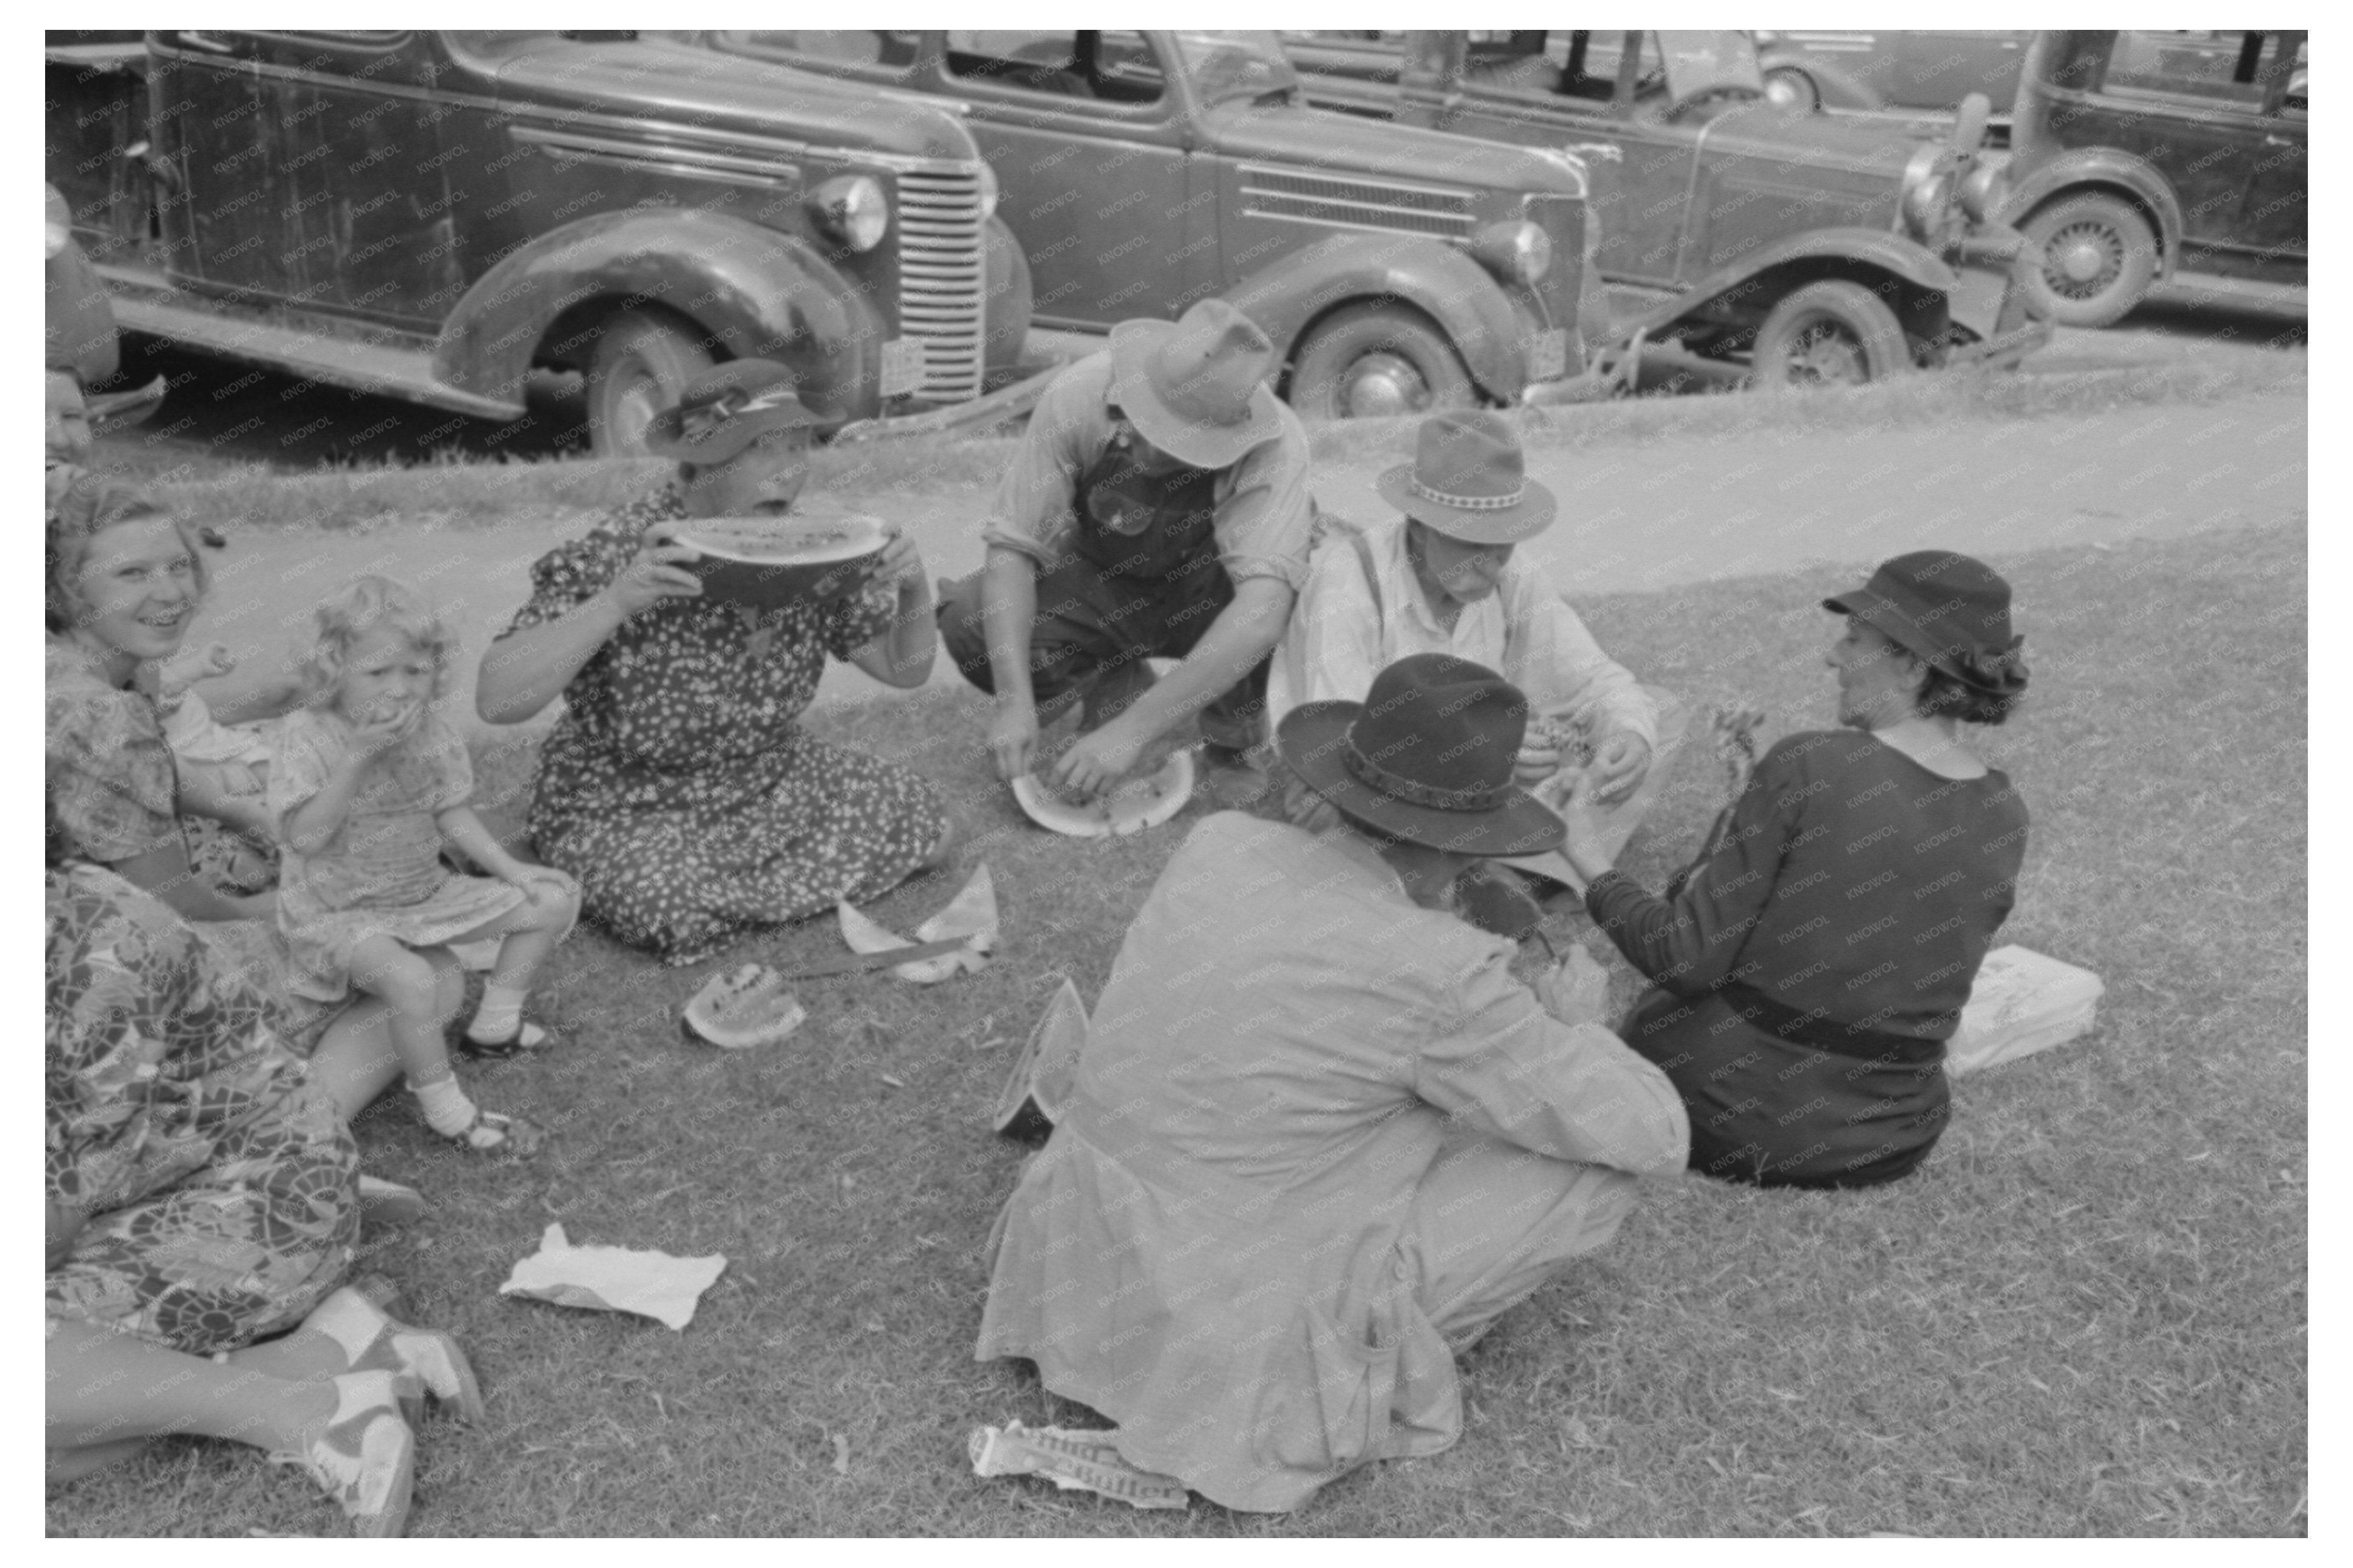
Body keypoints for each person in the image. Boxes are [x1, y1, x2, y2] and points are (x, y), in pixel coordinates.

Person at [975, 653, 1689, 1513]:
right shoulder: (1444, 973)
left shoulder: (1219, 843)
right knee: (1593, 1167)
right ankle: (1368, 1371)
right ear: (1465, 843)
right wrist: (1578, 1024)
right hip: (1239, 1335)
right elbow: (1655, 1131)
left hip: (1080, 1274)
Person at [1552, 551, 2032, 1189]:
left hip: (1731, 1117)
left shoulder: (1810, 764)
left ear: (1911, 664)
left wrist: (1583, 851)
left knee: (1625, 1011)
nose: (1830, 656)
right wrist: (1745, 800)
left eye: (1853, 638)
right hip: (1893, 1136)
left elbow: (1682, 955)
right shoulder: (2003, 808)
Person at [46, 861, 483, 1536]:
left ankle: (304, 1413)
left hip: (261, 1197)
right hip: (152, 1191)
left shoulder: (96, 956)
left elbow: (51, 1215)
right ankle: (330, 1351)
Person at [476, 360, 950, 966]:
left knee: (930, 828)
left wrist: (913, 588)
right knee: (667, 905)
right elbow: (497, 698)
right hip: (629, 798)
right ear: (700, 463)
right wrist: (614, 602)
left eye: (798, 448)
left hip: (773, 778)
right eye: (763, 450)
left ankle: (731, 888)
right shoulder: (620, 548)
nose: (789, 470)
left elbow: (902, 669)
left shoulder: (811, 549)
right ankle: (566, 844)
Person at [44, 472, 456, 1128]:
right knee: (424, 966)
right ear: (66, 588)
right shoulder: (102, 713)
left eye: (178, 565)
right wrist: (297, 908)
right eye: (131, 574)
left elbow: (117, 787)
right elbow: (176, 903)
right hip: (77, 995)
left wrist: (235, 806)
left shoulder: (77, 662)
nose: (170, 591)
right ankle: (302, 1132)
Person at [1269, 409, 1682, 887]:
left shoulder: (1512, 574)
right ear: (1419, 526)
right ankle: (1511, 864)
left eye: (1502, 544)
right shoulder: (1348, 584)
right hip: (1364, 792)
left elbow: (1597, 680)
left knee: (1660, 717)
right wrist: (1486, 755)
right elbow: (1351, 757)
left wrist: (1628, 736)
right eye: (1470, 543)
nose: (1490, 564)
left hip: (1475, 794)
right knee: (1340, 820)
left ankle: (1485, 867)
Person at [937, 298, 1314, 806]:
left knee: (1285, 586)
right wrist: (1013, 701)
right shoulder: (1078, 395)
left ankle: (1233, 741)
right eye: (1148, 424)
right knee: (968, 617)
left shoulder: (1278, 444)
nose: (1151, 451)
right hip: (1100, 577)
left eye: (1180, 443)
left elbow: (1261, 613)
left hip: (1205, 589)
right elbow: (1013, 547)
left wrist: (1132, 733)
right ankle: (1113, 677)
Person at [270, 576, 580, 1156]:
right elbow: (305, 837)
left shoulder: (432, 733)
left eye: (415, 672)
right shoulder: (306, 735)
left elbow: (452, 814)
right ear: (336, 669)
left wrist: (513, 873)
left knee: (551, 901)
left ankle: (496, 1027)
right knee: (412, 981)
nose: (399, 689)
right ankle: (444, 1107)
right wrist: (359, 757)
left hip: (421, 892)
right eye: (377, 673)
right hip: (338, 910)